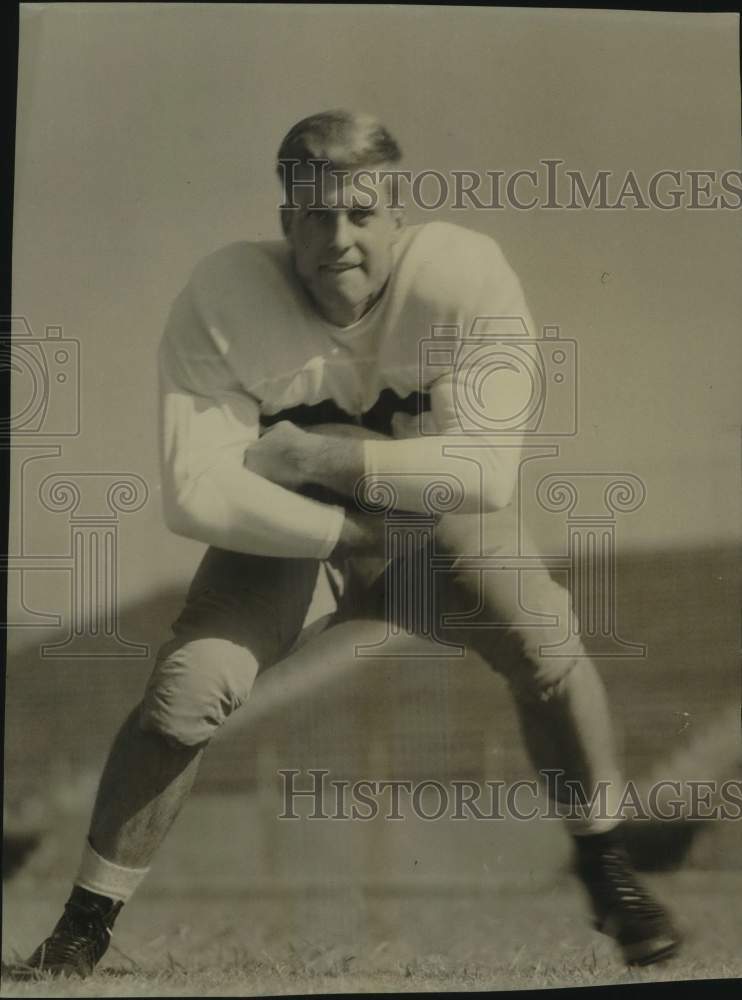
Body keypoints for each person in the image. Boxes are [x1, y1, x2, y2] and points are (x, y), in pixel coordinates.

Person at [18, 110, 680, 977]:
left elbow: (483, 475)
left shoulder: (462, 275)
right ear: (286, 219)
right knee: (192, 686)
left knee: (547, 636)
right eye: (317, 214)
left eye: (362, 213)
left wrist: (312, 454)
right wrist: (346, 527)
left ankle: (610, 872)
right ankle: (82, 927)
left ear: (398, 216)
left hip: (432, 527)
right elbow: (196, 493)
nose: (340, 238)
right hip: (290, 538)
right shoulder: (223, 296)